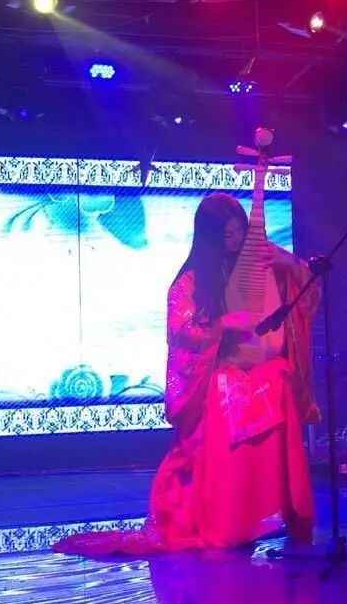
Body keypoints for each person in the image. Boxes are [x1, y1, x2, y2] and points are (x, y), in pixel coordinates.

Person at [55, 193, 320, 556]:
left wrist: (289, 262)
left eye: (240, 233)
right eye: (227, 235)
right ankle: (226, 518)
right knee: (225, 395)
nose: (236, 241)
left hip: (258, 371)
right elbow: (180, 332)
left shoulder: (260, 266)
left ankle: (284, 510)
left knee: (281, 377)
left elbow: (305, 296)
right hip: (217, 374)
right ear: (210, 238)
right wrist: (224, 324)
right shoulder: (190, 282)